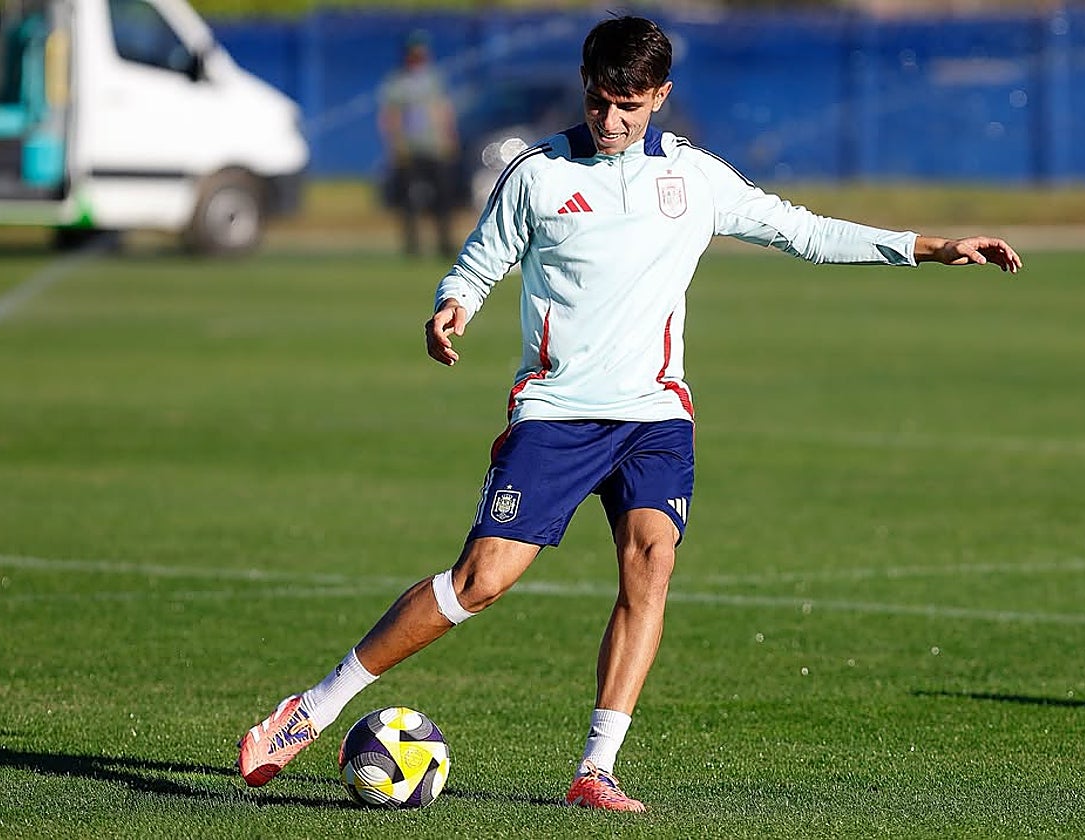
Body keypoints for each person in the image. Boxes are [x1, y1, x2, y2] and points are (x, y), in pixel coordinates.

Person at [237, 15, 1022, 812]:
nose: (612, 120)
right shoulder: (538, 172)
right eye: (600, 101)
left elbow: (804, 232)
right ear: (585, 87)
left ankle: (596, 769)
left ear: (661, 96)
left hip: (655, 416)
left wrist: (932, 246)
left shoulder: (693, 178)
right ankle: (312, 709)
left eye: (630, 106)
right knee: (481, 581)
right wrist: (453, 306)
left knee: (651, 564)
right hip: (556, 414)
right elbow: (481, 258)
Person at [377, 30, 461, 259]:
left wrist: (449, 137)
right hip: (410, 147)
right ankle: (413, 245)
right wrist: (395, 144)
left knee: (443, 196)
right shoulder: (397, 82)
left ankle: (444, 242)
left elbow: (443, 109)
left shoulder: (434, 79)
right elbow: (390, 114)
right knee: (409, 198)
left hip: (434, 146)